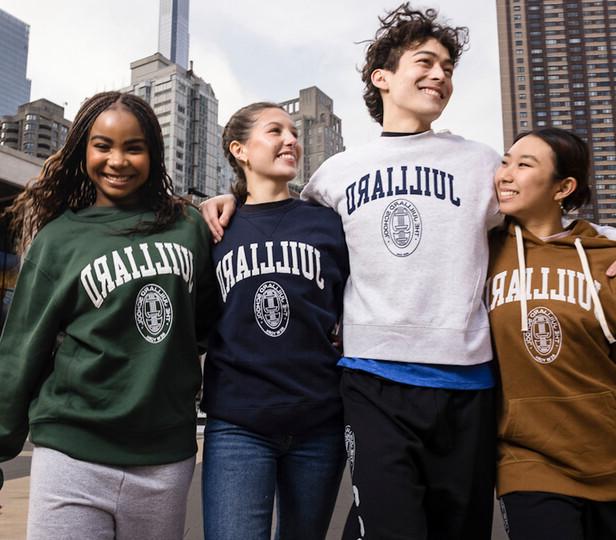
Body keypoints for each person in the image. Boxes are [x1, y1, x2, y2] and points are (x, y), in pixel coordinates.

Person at [200, 5, 616, 539]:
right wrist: (227, 197)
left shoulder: (482, 162)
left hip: (469, 385)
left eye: (448, 67)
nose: (440, 75)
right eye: (426, 62)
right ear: (383, 78)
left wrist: (605, 244)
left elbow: (543, 224)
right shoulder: (334, 174)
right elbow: (279, 219)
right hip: (374, 380)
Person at [0, 91, 217, 540]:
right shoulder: (58, 240)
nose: (117, 160)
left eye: (133, 147)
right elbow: (21, 349)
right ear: (83, 151)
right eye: (103, 145)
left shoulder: (188, 225)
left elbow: (205, 325)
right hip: (71, 453)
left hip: (164, 459)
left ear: (153, 154)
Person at [199, 102, 349, 540]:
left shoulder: (328, 224)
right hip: (238, 424)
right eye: (274, 131)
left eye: (293, 132)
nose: (291, 139)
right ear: (239, 149)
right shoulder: (213, 229)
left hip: (318, 422)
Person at [487, 128, 616, 540]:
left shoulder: (604, 256)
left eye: (524, 165)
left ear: (564, 187)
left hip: (608, 450)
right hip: (527, 459)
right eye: (505, 161)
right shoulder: (481, 251)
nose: (505, 174)